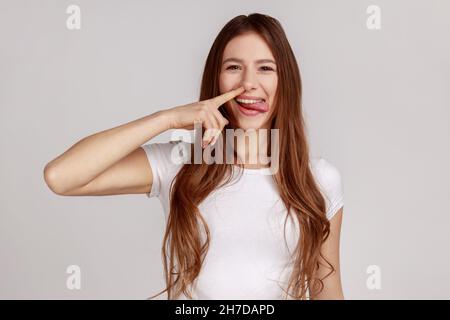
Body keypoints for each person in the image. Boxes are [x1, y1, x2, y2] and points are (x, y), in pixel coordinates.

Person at [43, 13, 345, 300]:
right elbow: (61, 176)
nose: (248, 83)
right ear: (216, 80)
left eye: (265, 68)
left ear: (286, 82)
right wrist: (168, 119)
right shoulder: (180, 163)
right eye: (233, 67)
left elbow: (327, 287)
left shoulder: (319, 179)